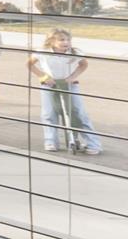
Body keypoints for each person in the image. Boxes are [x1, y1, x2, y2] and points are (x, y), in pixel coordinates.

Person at [30, 27, 104, 156]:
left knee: (78, 113)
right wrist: (43, 76)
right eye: (62, 40)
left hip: (70, 85)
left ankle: (93, 143)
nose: (66, 42)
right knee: (49, 114)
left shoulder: (74, 53)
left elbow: (84, 64)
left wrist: (72, 77)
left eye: (68, 40)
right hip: (49, 85)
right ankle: (51, 141)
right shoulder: (43, 52)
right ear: (51, 41)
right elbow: (29, 64)